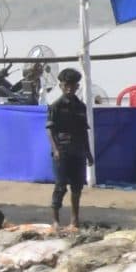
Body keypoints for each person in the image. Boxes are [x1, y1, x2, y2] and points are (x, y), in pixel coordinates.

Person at [47, 66, 90, 229]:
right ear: (61, 86)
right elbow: (50, 131)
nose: (70, 88)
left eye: (73, 85)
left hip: (78, 151)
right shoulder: (55, 106)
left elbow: (84, 131)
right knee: (60, 186)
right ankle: (56, 220)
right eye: (67, 85)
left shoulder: (81, 107)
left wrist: (88, 153)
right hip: (62, 151)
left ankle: (74, 220)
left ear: (77, 86)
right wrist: (56, 149)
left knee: (77, 187)